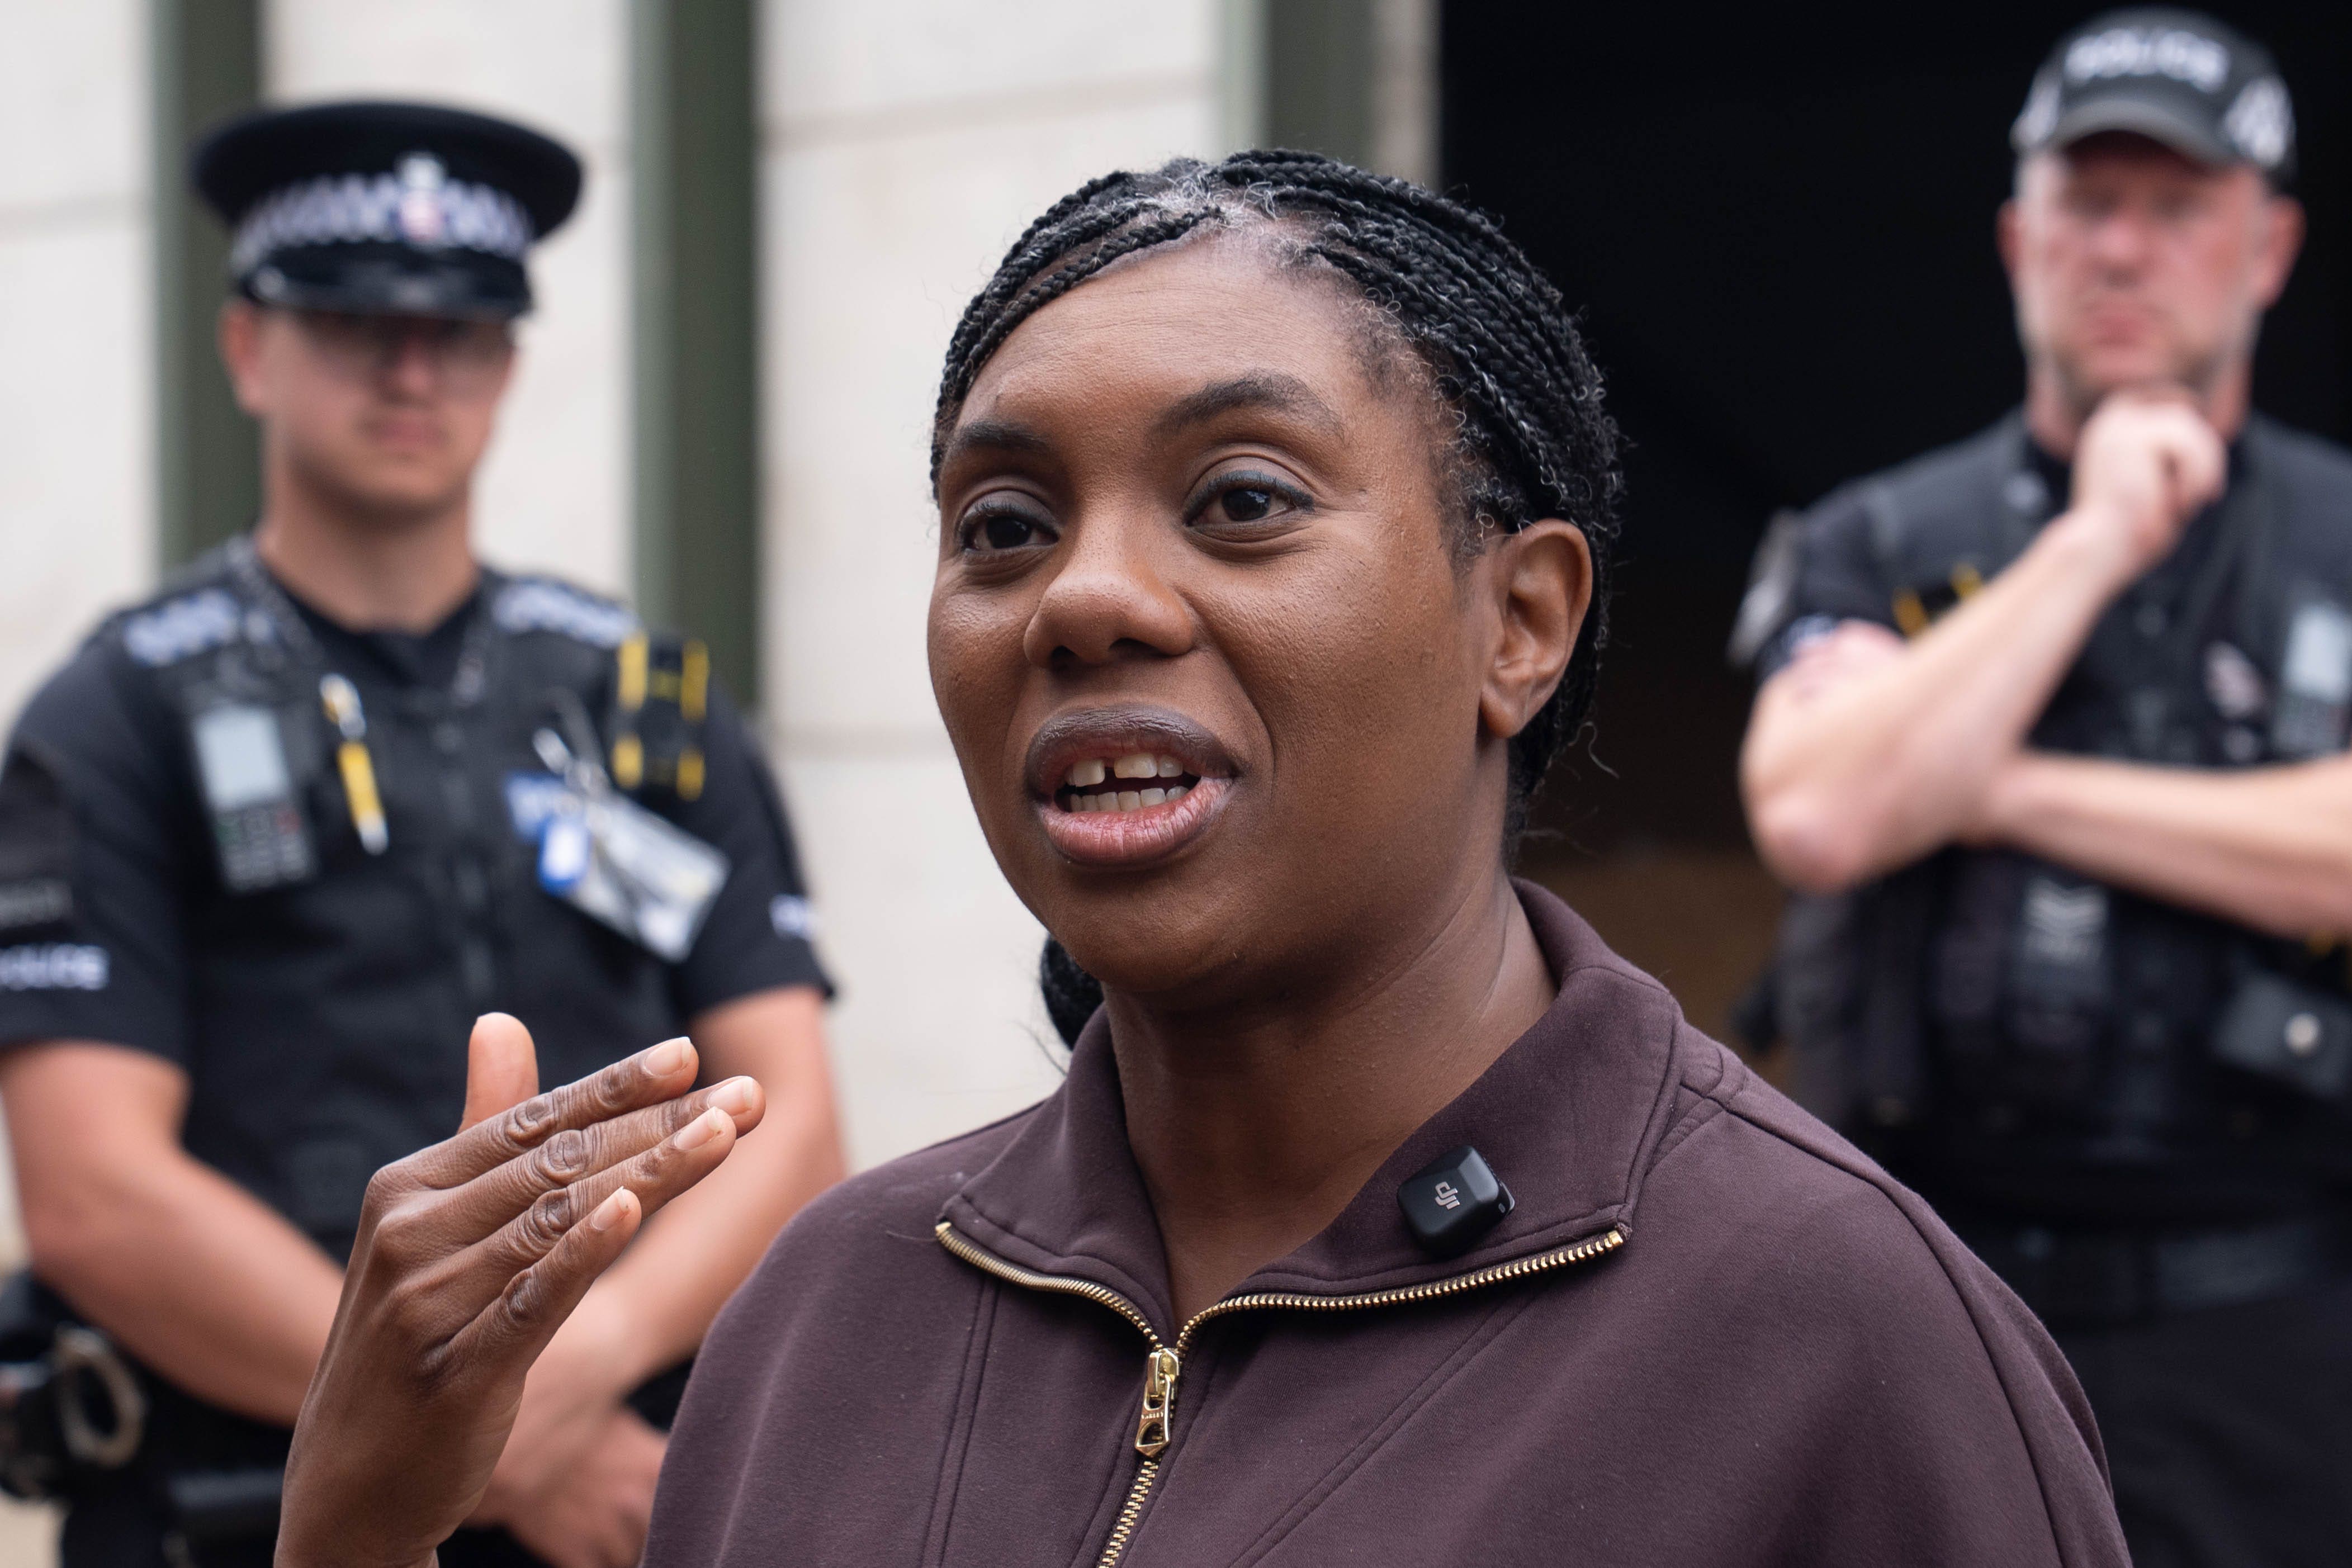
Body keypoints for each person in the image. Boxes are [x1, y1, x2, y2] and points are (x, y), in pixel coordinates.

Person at [270, 152, 2132, 1567]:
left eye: (1243, 499)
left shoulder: (1836, 1341)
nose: (1084, 597)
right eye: (1005, 525)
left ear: (1521, 623)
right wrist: (358, 1532)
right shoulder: (827, 1321)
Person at [0, 101, 844, 1567]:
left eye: (457, 332)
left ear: (507, 364)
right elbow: (97, 1198)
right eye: (353, 324)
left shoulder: (639, 697)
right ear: (248, 349)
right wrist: (448, 1427)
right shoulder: (115, 713)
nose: (411, 371)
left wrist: (568, 1382)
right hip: (238, 1518)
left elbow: (795, 1119)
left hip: (623, 1500)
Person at [1735, 10, 2351, 1564]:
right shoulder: (1880, 535)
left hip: (2281, 1342)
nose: (2123, 250)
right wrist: (2095, 542)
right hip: (1937, 1312)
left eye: (2177, 207)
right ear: (2020, 239)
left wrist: (1980, 781)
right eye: (2088, 204)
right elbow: (1820, 814)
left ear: (2270, 249)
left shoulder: (2342, 536)